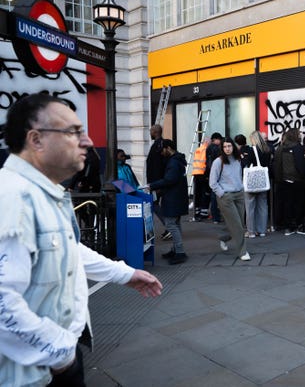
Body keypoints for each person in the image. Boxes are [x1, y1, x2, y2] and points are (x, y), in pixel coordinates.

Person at [0, 94, 163, 387]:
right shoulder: (13, 199)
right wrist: (62, 356)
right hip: (37, 371)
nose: (86, 141)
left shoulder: (44, 193)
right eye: (73, 132)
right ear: (36, 140)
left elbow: (69, 249)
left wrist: (124, 273)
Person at [148, 139, 189, 265]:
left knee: (171, 225)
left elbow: (169, 180)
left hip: (173, 198)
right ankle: (176, 249)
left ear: (168, 148)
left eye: (163, 150)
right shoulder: (177, 160)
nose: (161, 153)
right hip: (177, 197)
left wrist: (152, 185)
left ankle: (180, 252)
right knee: (175, 224)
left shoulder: (173, 163)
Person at [210, 137, 251, 261]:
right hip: (226, 197)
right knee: (237, 226)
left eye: (229, 146)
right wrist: (222, 193)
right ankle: (243, 252)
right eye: (225, 147)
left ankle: (224, 237)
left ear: (233, 147)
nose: (227, 149)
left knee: (238, 224)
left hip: (239, 194)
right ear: (222, 148)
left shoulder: (238, 159)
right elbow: (212, 182)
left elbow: (239, 176)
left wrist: (241, 188)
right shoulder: (218, 162)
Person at [273, 128, 305, 235]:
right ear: (295, 135)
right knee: (298, 204)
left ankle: (288, 227)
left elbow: (276, 164)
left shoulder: (281, 148)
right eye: (299, 133)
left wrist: (279, 178)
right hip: (297, 180)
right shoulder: (297, 147)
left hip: (284, 179)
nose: (301, 135)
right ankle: (299, 225)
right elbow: (300, 165)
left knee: (288, 203)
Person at [243, 131, 272, 238]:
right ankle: (262, 230)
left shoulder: (252, 150)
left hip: (252, 182)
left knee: (250, 207)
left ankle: (251, 231)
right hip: (263, 181)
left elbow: (247, 164)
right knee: (263, 206)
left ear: (254, 139)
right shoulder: (267, 150)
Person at [146, 124, 169, 239]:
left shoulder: (158, 145)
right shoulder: (160, 144)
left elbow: (156, 166)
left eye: (151, 131)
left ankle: (169, 227)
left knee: (154, 205)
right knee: (157, 205)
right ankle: (169, 227)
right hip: (158, 182)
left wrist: (154, 185)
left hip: (157, 183)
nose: (150, 133)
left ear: (155, 132)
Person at [191, 136, 211, 221]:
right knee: (204, 194)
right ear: (206, 142)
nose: (210, 144)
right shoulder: (206, 150)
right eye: (209, 142)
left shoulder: (198, 149)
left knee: (197, 194)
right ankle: (203, 213)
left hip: (196, 174)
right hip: (203, 174)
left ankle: (197, 212)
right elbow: (206, 163)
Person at [207, 132, 223, 223]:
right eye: (219, 139)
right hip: (216, 173)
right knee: (215, 196)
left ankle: (215, 216)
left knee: (214, 196)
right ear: (216, 139)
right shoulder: (216, 148)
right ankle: (216, 217)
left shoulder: (209, 148)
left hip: (211, 173)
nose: (220, 142)